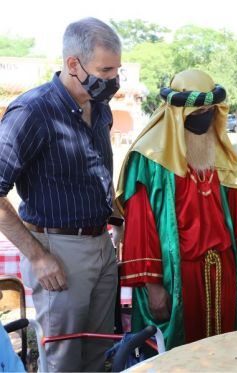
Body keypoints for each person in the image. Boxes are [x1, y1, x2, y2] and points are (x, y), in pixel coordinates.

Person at [0, 18, 121, 371]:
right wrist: (38, 257)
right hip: (57, 252)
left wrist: (116, 225)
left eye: (117, 70)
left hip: (101, 247)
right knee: (64, 359)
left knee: (98, 354)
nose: (114, 80)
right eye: (106, 70)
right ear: (73, 64)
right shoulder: (32, 112)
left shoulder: (101, 108)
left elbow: (100, 171)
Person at [116, 69, 237, 349]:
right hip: (176, 276)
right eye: (197, 113)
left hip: (221, 270)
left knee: (224, 353)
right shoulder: (150, 158)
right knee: (179, 354)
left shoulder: (219, 153)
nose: (204, 118)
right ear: (178, 113)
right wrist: (153, 287)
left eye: (210, 111)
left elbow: (232, 213)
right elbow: (140, 228)